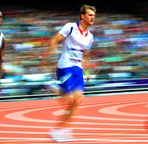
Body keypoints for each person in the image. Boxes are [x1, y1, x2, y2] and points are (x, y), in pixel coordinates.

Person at [40, 4, 96, 142]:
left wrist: (87, 71)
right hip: (65, 66)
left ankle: (58, 130)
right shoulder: (70, 27)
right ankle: (52, 85)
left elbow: (86, 54)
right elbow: (54, 40)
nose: (92, 17)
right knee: (70, 100)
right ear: (82, 16)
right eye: (90, 15)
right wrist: (49, 53)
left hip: (78, 69)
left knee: (77, 102)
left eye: (94, 15)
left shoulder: (90, 36)